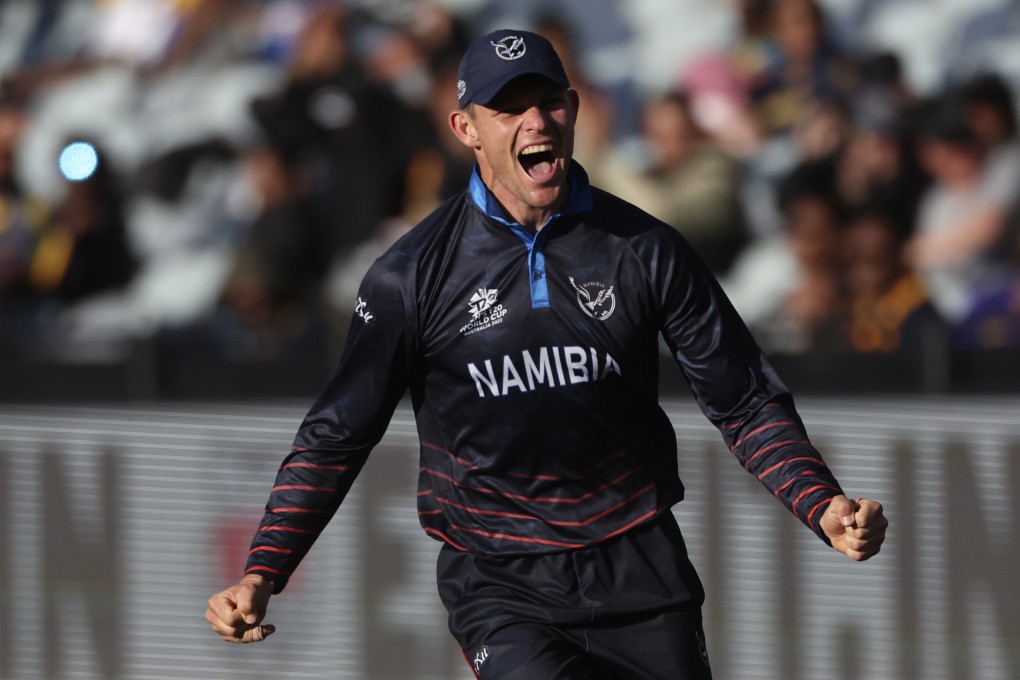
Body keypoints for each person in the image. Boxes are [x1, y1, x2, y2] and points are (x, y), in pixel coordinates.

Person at [205, 29, 888, 679]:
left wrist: (819, 502)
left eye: (549, 102)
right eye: (507, 107)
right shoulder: (409, 276)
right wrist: (265, 570)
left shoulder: (645, 249)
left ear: (575, 109)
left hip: (640, 566)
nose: (535, 120)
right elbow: (337, 435)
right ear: (465, 129)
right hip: (502, 583)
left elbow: (742, 399)